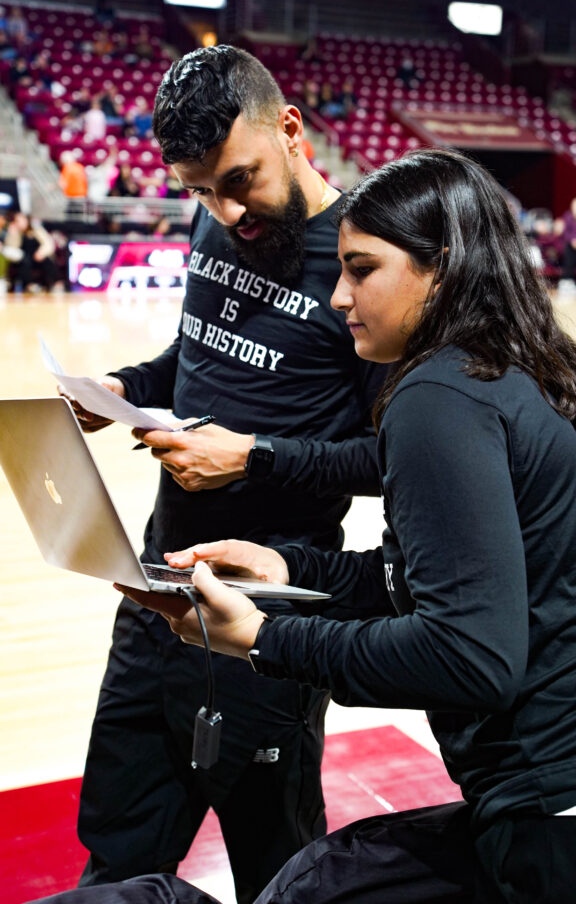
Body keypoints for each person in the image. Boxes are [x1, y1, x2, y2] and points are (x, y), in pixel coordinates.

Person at [41, 148, 576, 904]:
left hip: (545, 803)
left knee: (298, 874)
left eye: (361, 270)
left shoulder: (437, 399)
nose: (337, 295)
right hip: (538, 789)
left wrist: (262, 638)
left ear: (444, 267)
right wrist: (292, 571)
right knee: (319, 874)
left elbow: (470, 655)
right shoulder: (498, 370)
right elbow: (427, 575)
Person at [62, 45, 384, 903]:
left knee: (279, 874)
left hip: (268, 615)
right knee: (119, 855)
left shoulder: (367, 261)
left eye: (240, 178)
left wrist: (253, 455)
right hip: (156, 586)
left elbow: (397, 459)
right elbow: (195, 359)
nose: (226, 208)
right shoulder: (216, 218)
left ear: (290, 128)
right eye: (201, 189)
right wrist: (124, 390)